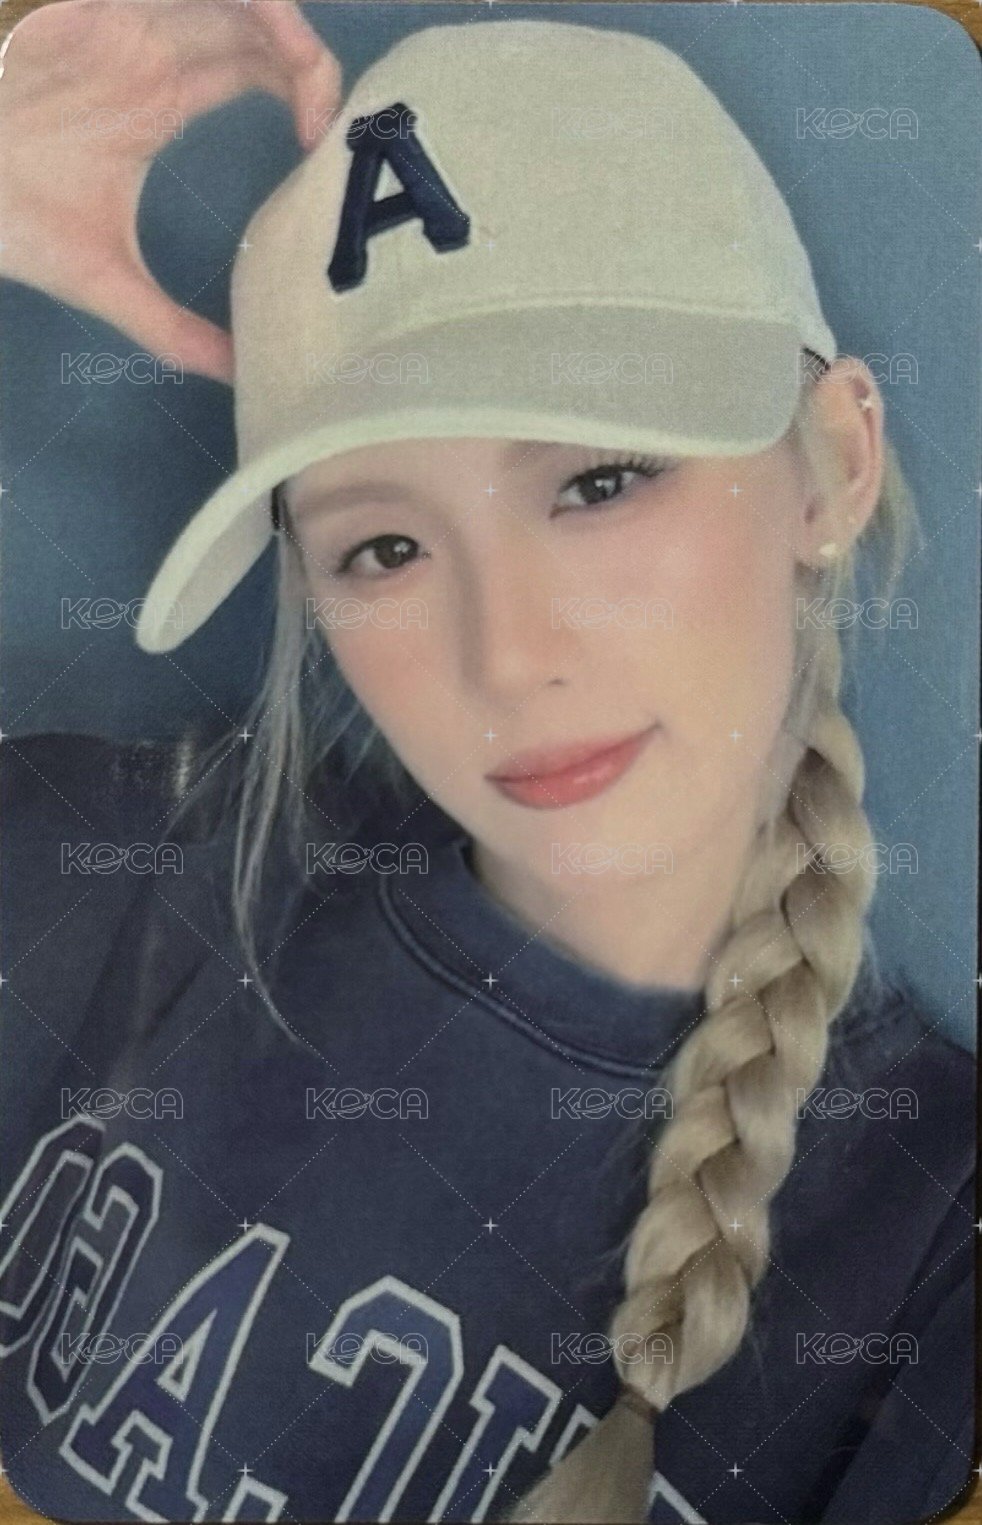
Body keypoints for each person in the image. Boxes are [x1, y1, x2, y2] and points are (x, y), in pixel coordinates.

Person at [0, 6, 974, 1524]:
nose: (507, 656)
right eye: (384, 547)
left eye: (599, 478)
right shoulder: (93, 864)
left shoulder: (934, 1245)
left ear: (834, 464)